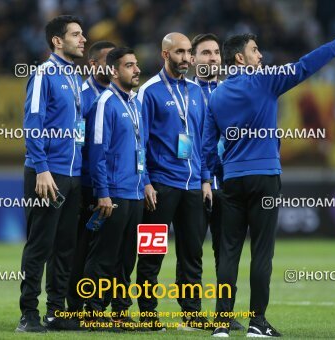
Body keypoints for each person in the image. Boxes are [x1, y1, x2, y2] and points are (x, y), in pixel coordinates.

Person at [204, 22, 335, 338]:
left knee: (228, 252)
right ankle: (257, 322)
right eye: (255, 50)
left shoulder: (216, 95)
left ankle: (222, 323)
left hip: (231, 180)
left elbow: (207, 145)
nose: (261, 55)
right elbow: (306, 65)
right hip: (265, 176)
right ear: (240, 58)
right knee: (262, 252)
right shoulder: (265, 82)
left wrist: (215, 176)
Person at [136, 32, 213, 331]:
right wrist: (145, 181)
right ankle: (147, 314)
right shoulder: (149, 91)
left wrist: (206, 179)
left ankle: (192, 315)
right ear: (165, 54)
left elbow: (203, 143)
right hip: (162, 187)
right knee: (151, 254)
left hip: (193, 187)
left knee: (192, 255)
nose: (186, 58)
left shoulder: (196, 92)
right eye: (179, 52)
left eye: (188, 52)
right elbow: (138, 142)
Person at [16, 15, 86, 333]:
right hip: (48, 174)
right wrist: (42, 168)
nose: (83, 39)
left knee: (66, 246)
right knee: (40, 244)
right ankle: (28, 313)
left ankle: (56, 312)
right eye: (76, 34)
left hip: (72, 175)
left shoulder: (75, 77)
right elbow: (33, 122)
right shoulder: (45, 73)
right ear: (57, 41)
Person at [84, 47, 145, 330]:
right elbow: (98, 151)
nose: (136, 70)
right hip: (114, 193)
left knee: (126, 259)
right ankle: (93, 311)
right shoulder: (104, 103)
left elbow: (140, 149)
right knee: (104, 256)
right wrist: (103, 192)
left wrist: (145, 184)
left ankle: (120, 311)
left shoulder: (134, 102)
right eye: (129, 65)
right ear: (113, 70)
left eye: (136, 65)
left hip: (134, 192)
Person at [190, 33, 244, 332]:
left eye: (215, 53)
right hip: (189, 185)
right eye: (206, 53)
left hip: (226, 186)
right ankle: (192, 312)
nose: (212, 58)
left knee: (227, 252)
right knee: (190, 251)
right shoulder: (183, 93)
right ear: (193, 59)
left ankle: (225, 313)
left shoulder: (230, 92)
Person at [66, 40, 116, 314]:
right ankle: (73, 307)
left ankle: (100, 305)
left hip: (116, 186)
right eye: (110, 59)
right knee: (81, 248)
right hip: (87, 186)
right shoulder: (81, 96)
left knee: (110, 251)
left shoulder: (122, 97)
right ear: (93, 64)